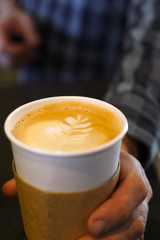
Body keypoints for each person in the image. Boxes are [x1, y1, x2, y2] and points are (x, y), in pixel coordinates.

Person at [1, 0, 159, 239]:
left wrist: (123, 147)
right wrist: (7, 8)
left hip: (112, 92)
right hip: (34, 82)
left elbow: (151, 49)